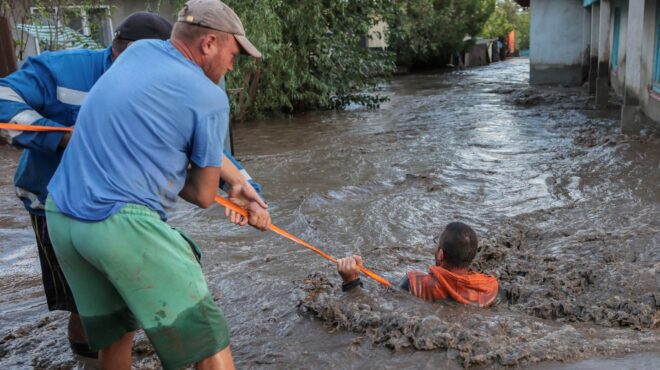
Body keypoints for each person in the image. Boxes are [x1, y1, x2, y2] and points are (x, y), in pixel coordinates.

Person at [45, 0, 268, 368]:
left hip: (62, 218)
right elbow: (200, 194)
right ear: (209, 43)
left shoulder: (139, 52)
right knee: (207, 339)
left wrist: (236, 182)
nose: (233, 64)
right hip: (117, 223)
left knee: (116, 337)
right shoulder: (210, 97)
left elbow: (149, 137)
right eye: (234, 53)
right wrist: (237, 196)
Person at [0, 11, 173, 358]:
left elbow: (201, 150)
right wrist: (63, 138)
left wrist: (243, 188)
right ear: (119, 53)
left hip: (125, 207)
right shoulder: (63, 70)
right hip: (52, 204)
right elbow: (3, 97)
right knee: (83, 301)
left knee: (127, 296)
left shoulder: (164, 85)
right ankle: (88, 360)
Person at [336, 222, 499, 307]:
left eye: (437, 243)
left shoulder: (414, 283)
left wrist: (351, 282)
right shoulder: (491, 287)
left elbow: (374, 307)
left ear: (440, 254)